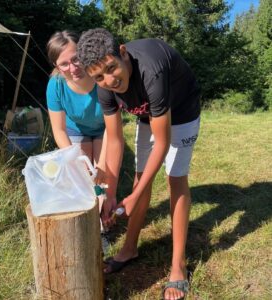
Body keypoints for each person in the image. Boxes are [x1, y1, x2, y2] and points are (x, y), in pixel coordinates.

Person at [77, 28, 200, 300]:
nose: (109, 80)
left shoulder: (151, 70)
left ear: (122, 52)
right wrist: (109, 193)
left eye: (112, 68)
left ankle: (178, 265)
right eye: (99, 76)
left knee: (174, 178)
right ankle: (129, 248)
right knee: (139, 177)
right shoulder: (104, 88)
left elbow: (163, 142)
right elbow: (116, 141)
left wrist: (134, 197)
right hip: (148, 113)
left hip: (182, 110)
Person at [46, 30, 106, 177]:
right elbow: (59, 130)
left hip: (104, 129)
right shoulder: (55, 85)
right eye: (64, 64)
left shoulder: (102, 76)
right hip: (75, 129)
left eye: (76, 59)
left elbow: (113, 128)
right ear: (56, 65)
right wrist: (73, 159)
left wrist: (102, 169)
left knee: (101, 175)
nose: (73, 68)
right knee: (82, 174)